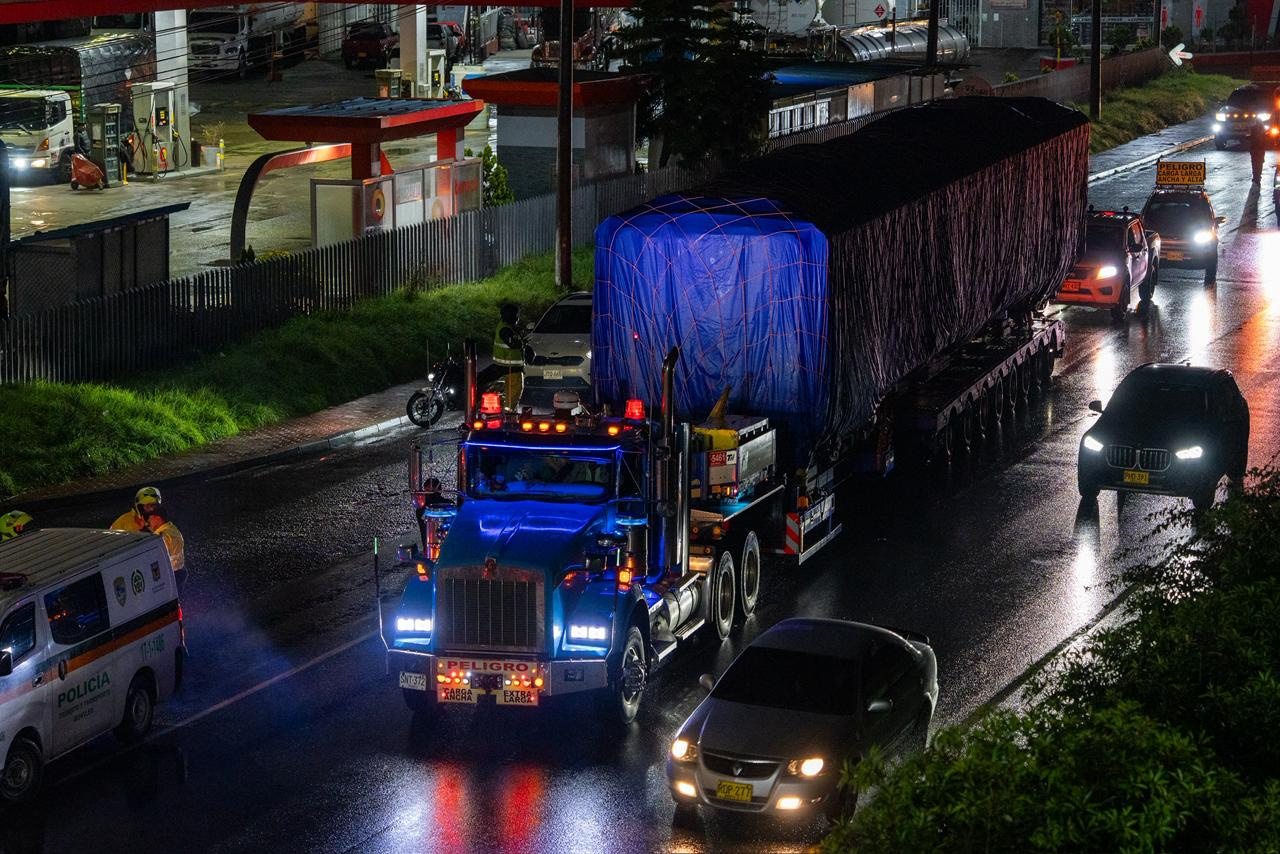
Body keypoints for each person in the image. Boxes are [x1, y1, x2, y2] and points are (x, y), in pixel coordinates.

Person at [112, 487, 187, 591]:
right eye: (148, 506)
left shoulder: (163, 532)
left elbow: (154, 549)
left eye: (154, 506)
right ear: (140, 507)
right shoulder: (125, 522)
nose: (152, 510)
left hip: (161, 573)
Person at [477, 302, 525, 407]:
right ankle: (508, 418)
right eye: (517, 315)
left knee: (507, 396)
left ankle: (506, 414)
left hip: (503, 368)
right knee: (512, 399)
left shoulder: (503, 326)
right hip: (512, 369)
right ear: (513, 316)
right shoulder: (506, 330)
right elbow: (513, 344)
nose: (518, 318)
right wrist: (522, 343)